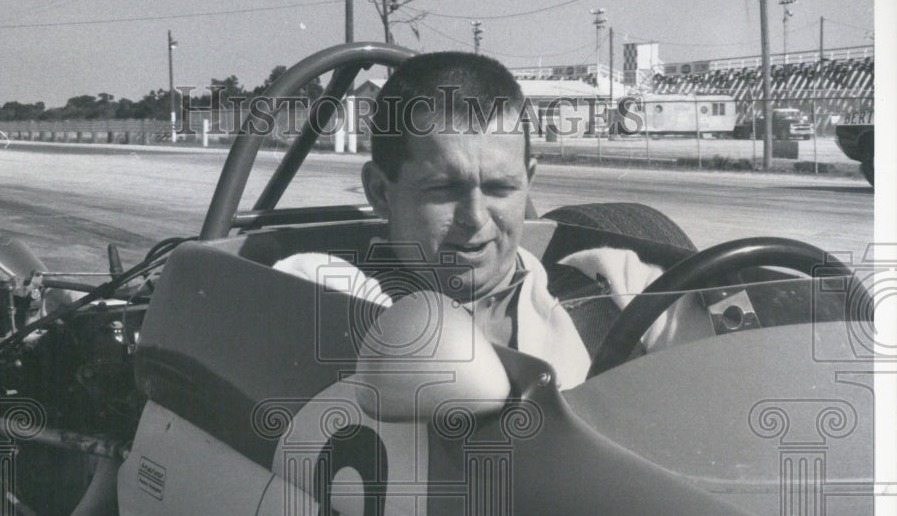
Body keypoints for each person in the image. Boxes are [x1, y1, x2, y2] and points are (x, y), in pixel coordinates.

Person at [274, 51, 710, 389]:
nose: (476, 218)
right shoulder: (330, 287)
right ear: (381, 193)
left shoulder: (614, 284)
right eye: (443, 190)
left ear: (529, 181)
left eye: (501, 188)